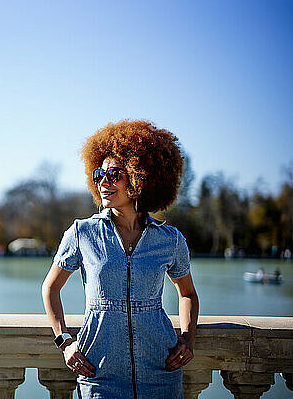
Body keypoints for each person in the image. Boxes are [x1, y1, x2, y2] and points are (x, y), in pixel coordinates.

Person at [42, 120, 199, 399]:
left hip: (161, 370)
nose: (103, 181)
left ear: (141, 178)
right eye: (98, 174)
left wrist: (188, 338)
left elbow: (187, 293)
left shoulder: (170, 239)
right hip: (98, 372)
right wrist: (64, 340)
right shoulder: (82, 233)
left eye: (114, 174)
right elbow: (51, 288)